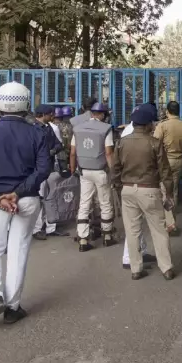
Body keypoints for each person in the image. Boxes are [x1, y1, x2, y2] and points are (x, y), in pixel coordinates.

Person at [0, 81, 50, 326]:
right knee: (18, 250)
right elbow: (43, 169)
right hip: (27, 199)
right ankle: (12, 307)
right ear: (25, 103)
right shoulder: (37, 132)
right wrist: (18, 192)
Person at [111, 104, 175, 281]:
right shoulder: (154, 143)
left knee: (132, 231)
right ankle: (166, 268)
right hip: (149, 190)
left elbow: (115, 169)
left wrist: (119, 187)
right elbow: (165, 171)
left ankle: (136, 269)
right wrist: (169, 194)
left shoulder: (122, 142)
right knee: (159, 230)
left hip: (128, 190)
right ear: (147, 125)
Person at [71, 102, 117, 251]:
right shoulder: (106, 129)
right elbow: (108, 153)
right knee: (105, 203)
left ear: (91, 114)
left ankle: (83, 239)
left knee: (84, 203)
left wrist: (73, 169)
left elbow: (72, 152)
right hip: (101, 171)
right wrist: (114, 172)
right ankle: (107, 236)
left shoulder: (77, 128)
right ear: (103, 115)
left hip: (84, 171)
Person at [153, 101, 182, 236]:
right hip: (180, 161)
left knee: (165, 191)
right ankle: (172, 222)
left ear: (167, 111)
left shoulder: (162, 125)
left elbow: (155, 144)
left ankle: (169, 224)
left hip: (166, 161)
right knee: (174, 191)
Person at [32, 104, 66, 240]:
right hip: (38, 169)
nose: (52, 116)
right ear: (43, 114)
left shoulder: (48, 127)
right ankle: (37, 229)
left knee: (50, 197)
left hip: (49, 168)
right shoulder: (33, 129)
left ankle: (51, 226)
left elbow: (59, 144)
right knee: (39, 199)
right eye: (49, 114)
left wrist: (51, 151)